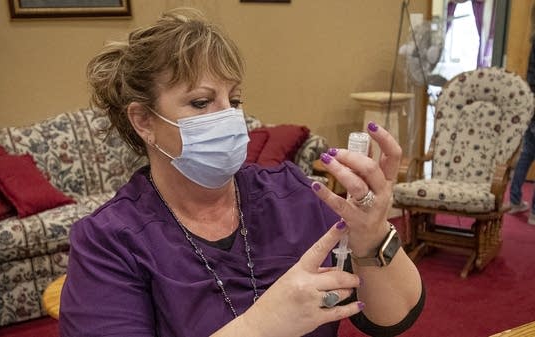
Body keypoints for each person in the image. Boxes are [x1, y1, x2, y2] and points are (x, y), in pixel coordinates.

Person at [59, 7, 424, 337]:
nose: (229, 118)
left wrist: (373, 236)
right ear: (143, 121)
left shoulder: (291, 194)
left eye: (233, 101)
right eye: (201, 102)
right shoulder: (109, 240)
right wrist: (261, 325)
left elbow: (391, 318)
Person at [508, 3, 535, 224]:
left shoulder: (534, 40)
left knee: (526, 154)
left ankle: (515, 199)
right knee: (526, 155)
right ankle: (534, 212)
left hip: (532, 104)